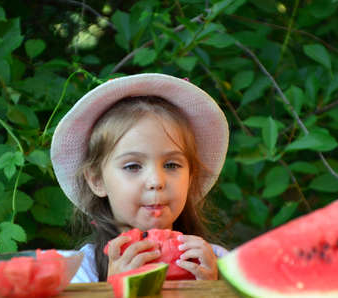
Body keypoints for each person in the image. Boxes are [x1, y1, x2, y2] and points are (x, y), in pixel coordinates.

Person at [50, 73, 229, 283]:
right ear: (97, 180)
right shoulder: (79, 269)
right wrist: (110, 291)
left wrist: (215, 290)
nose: (156, 181)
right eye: (133, 166)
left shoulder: (216, 261)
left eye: (172, 165)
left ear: (190, 177)